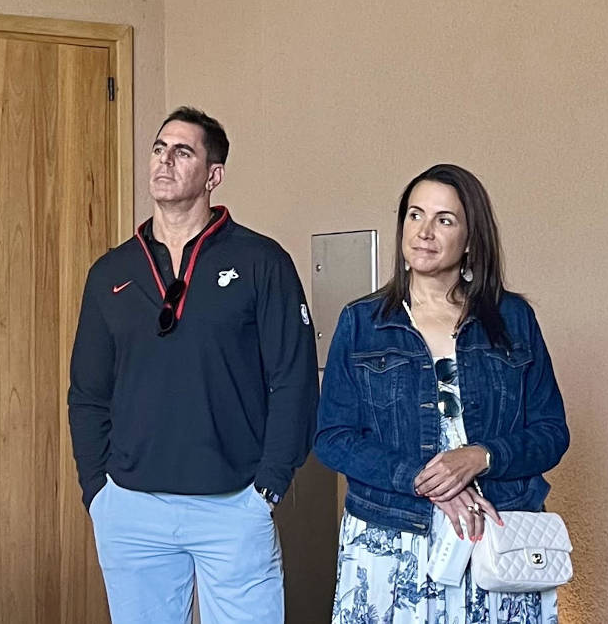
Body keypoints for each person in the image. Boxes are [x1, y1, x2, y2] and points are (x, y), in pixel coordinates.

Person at [66, 106, 319, 623]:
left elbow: (294, 381)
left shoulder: (261, 262)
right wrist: (98, 491)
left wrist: (267, 488)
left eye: (182, 152)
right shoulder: (111, 272)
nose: (164, 160)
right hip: (130, 508)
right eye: (159, 149)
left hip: (234, 503)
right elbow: (87, 392)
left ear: (213, 175)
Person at [316, 164, 567, 624]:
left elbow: (552, 433)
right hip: (390, 538)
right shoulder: (361, 322)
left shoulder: (512, 319)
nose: (424, 232)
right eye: (415, 215)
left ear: (470, 239)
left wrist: (481, 457)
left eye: (444, 220)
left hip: (494, 539)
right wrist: (422, 479)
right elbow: (333, 438)